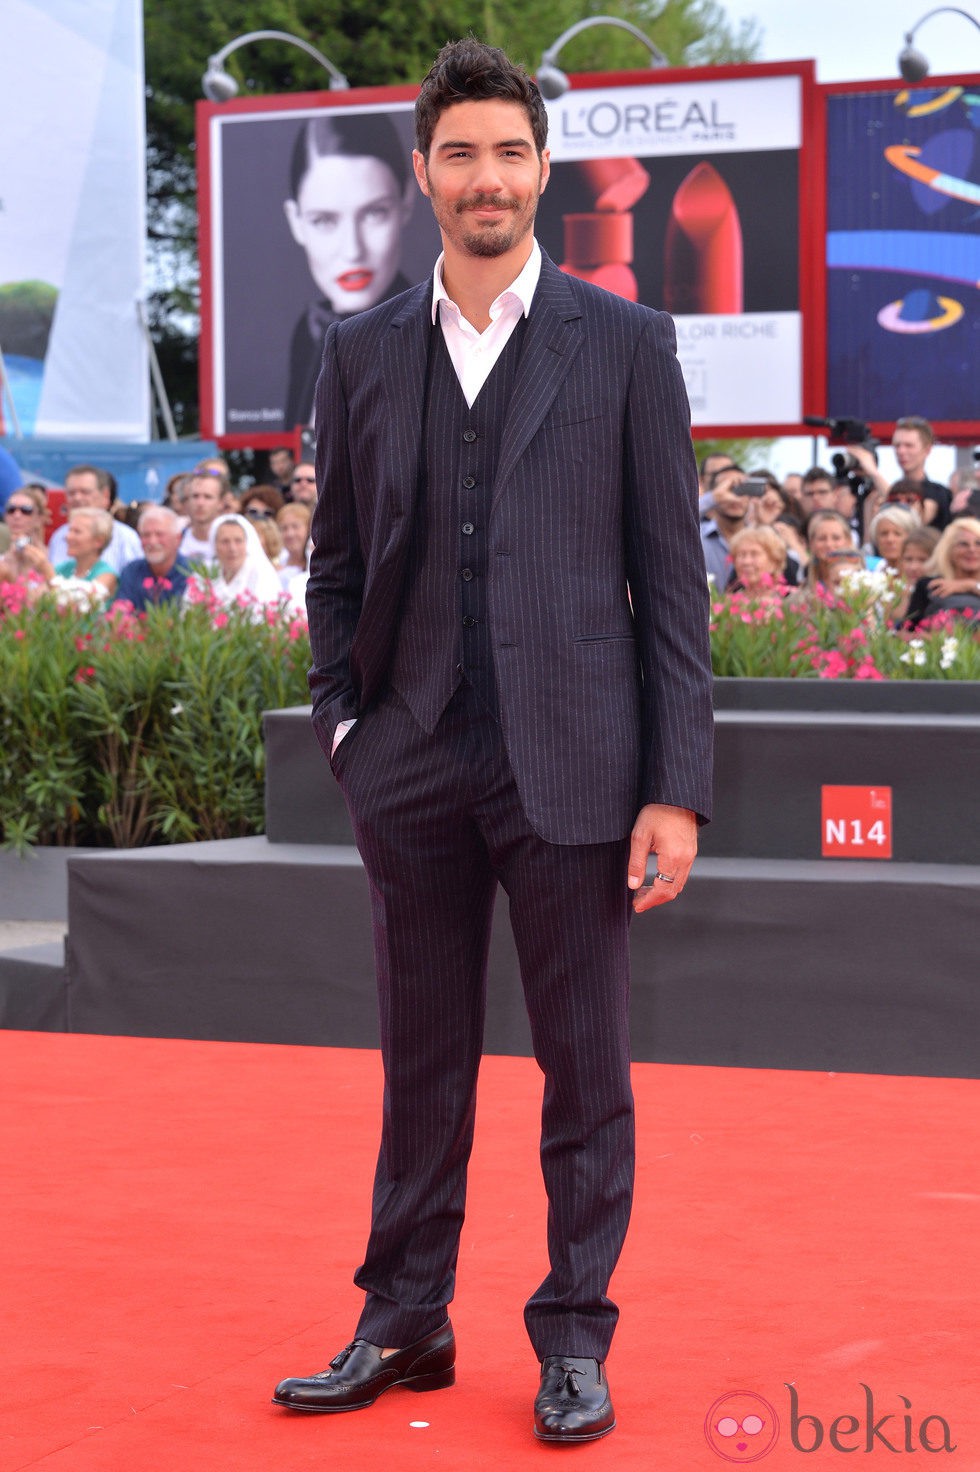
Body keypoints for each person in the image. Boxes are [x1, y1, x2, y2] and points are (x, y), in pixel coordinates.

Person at [273, 38, 713, 1445]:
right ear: (423, 174)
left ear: (544, 172)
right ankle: (406, 1317)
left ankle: (574, 1336)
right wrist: (348, 723)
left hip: (577, 765)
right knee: (422, 1062)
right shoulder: (358, 349)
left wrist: (677, 790)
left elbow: (672, 585)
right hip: (409, 762)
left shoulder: (628, 345)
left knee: (586, 1070)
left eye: (510, 153)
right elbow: (336, 564)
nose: (487, 177)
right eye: (460, 153)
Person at [283, 112, 415, 429]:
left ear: (406, 203)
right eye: (324, 221)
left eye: (374, 213)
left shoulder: (430, 329)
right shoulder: (310, 332)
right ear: (295, 221)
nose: (353, 249)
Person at [46, 464, 141, 574]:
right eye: (71, 493)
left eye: (85, 492)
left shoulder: (125, 537)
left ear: (105, 495)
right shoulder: (60, 536)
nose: (77, 498)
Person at [188, 512, 283, 610]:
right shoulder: (205, 571)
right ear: (215, 545)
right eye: (225, 541)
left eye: (238, 541)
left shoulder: (262, 573)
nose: (232, 548)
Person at [902, 517, 980, 628]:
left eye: (978, 543)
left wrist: (970, 585)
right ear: (949, 550)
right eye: (963, 544)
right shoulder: (932, 585)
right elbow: (907, 629)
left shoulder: (974, 587)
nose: (972, 549)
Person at [113, 506, 193, 610]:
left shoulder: (193, 572)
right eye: (146, 535)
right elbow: (121, 613)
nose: (152, 542)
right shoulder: (131, 571)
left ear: (178, 539)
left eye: (160, 535)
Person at [0, 486, 48, 583]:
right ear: (5, 516)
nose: (17, 515)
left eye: (26, 510)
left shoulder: (48, 556)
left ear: (39, 518)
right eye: (11, 509)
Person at [726, 525, 789, 596]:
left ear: (773, 562)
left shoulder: (789, 602)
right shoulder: (727, 603)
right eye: (742, 555)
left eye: (754, 554)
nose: (746, 562)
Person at [180, 472, 225, 563]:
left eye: (208, 497)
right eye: (195, 496)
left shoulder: (235, 543)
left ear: (221, 503)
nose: (200, 503)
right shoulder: (175, 542)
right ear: (187, 500)